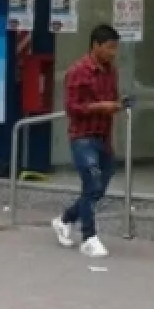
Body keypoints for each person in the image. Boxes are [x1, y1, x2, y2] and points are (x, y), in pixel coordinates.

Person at [52, 24, 124, 258]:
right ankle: (89, 237)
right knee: (91, 184)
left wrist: (117, 106)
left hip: (104, 136)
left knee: (98, 188)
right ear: (96, 45)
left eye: (115, 48)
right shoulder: (78, 71)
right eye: (109, 47)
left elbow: (112, 100)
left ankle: (65, 220)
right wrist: (101, 107)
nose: (113, 53)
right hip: (83, 137)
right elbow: (72, 107)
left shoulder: (111, 71)